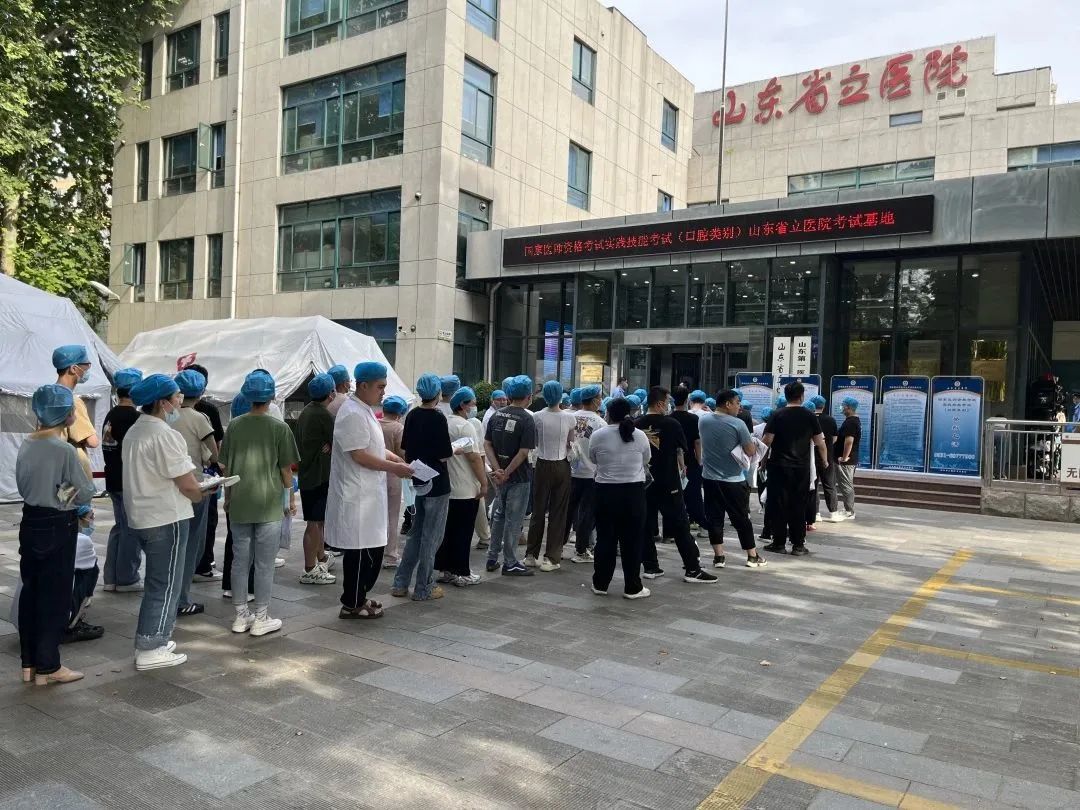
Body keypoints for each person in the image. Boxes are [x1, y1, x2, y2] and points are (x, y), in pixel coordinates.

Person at [15, 384, 96, 685]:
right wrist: (66, 497)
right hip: (58, 524)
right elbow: (84, 491)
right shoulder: (64, 450)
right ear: (66, 414)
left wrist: (56, 491)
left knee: (32, 592)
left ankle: (29, 663)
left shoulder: (27, 443)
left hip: (31, 520)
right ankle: (49, 666)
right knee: (55, 596)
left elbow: (25, 485)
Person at [124, 374, 206, 671]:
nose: (179, 403)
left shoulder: (136, 430)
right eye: (175, 398)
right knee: (165, 583)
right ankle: (150, 646)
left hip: (143, 515)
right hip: (166, 517)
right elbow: (187, 483)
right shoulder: (164, 434)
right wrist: (201, 492)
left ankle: (156, 636)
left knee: (158, 581)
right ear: (162, 403)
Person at [325, 363, 413, 618]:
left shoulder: (364, 410)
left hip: (369, 494)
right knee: (361, 553)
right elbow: (360, 455)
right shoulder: (351, 413)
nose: (383, 392)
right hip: (356, 495)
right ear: (363, 385)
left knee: (371, 550)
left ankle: (360, 597)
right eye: (380, 387)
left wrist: (394, 458)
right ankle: (352, 603)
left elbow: (372, 445)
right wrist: (395, 468)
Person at [219, 370, 299, 636]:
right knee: (264, 564)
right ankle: (261, 617)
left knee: (240, 562)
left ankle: (240, 616)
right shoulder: (280, 428)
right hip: (268, 505)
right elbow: (286, 470)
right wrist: (290, 498)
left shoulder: (234, 426)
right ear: (272, 396)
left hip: (240, 503)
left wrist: (228, 499)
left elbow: (226, 467)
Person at [637, 387, 718, 584]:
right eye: (667, 402)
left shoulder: (636, 423)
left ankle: (651, 566)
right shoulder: (672, 424)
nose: (669, 405)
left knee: (646, 524)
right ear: (659, 404)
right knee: (680, 525)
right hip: (668, 481)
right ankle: (692, 569)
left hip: (643, 481)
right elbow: (681, 449)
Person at [393, 373, 454, 601]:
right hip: (438, 482)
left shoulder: (411, 415)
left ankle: (400, 583)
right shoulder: (438, 418)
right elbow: (444, 455)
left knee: (416, 534)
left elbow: (405, 449)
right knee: (432, 536)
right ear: (438, 393)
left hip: (418, 479)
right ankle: (424, 587)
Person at [588, 397, 653, 599]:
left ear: (608, 413)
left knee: (605, 538)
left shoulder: (598, 435)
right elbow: (646, 459)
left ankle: (600, 583)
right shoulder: (640, 435)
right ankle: (632, 587)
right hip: (633, 494)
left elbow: (593, 458)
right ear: (629, 413)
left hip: (605, 492)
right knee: (632, 541)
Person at [698, 390, 768, 569]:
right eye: (737, 403)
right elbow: (750, 451)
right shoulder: (738, 424)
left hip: (709, 478)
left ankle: (719, 557)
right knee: (741, 519)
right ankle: (752, 556)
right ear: (727, 404)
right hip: (733, 480)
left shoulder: (703, 420)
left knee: (714, 518)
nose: (739, 407)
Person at [170, 369, 218, 616]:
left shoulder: (167, 416)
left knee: (173, 544)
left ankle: (170, 594)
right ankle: (181, 599)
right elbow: (214, 455)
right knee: (191, 546)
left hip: (170, 487)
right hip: (195, 485)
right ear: (201, 392)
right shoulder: (199, 418)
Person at [761, 382, 829, 556]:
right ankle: (798, 545)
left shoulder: (777, 414)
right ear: (802, 396)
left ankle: (778, 543)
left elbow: (767, 441)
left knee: (778, 504)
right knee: (798, 504)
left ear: (786, 396)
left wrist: (762, 461)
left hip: (778, 466)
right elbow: (820, 442)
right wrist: (824, 460)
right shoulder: (810, 416)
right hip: (801, 468)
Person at [484, 375, 536, 577]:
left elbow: (487, 443)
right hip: (518, 477)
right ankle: (511, 561)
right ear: (528, 396)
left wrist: (498, 470)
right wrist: (507, 472)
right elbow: (523, 452)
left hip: (500, 477)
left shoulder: (497, 415)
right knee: (514, 520)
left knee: (499, 515)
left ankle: (492, 556)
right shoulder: (527, 419)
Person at [435, 387, 487, 586]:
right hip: (465, 488)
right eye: (473, 403)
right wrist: (484, 482)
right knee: (463, 533)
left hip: (447, 487)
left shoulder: (444, 423)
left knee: (447, 532)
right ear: (463, 405)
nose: (475, 406)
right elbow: (474, 458)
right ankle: (462, 572)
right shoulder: (466, 427)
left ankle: (446, 570)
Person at [525, 380, 576, 571]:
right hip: (562, 465)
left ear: (544, 395)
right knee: (558, 513)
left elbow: (534, 442)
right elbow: (571, 443)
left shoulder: (536, 417)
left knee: (538, 511)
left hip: (541, 465)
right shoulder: (569, 418)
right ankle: (551, 558)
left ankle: (531, 555)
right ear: (561, 395)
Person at [101, 367, 144, 593]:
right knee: (131, 530)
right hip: (129, 481)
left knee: (119, 527)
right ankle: (127, 578)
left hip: (113, 479)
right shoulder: (134, 418)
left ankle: (111, 577)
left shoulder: (111, 415)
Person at [296, 373, 337, 585]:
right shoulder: (323, 415)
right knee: (313, 522)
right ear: (331, 394)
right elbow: (338, 442)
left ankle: (320, 559)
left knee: (318, 521)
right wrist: (330, 445)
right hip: (318, 476)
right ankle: (309, 568)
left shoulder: (307, 411)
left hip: (309, 474)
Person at [187, 363, 226, 582]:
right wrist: (219, 466)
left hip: (176, 477)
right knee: (204, 522)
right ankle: (202, 565)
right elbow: (215, 447)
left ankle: (185, 566)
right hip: (203, 477)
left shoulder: (170, 412)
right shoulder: (206, 412)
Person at [566, 384, 606, 564]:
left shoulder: (570, 417)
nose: (601, 400)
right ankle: (581, 550)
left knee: (567, 511)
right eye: (599, 397)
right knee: (587, 514)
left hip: (570, 472)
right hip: (591, 474)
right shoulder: (600, 423)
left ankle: (558, 546)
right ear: (595, 400)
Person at [221, 393, 254, 601]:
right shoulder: (265, 429)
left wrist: (227, 497)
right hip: (255, 494)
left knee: (233, 540)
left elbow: (225, 467)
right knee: (252, 543)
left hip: (235, 492)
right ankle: (248, 588)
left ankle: (229, 586)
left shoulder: (231, 431)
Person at [51, 345, 100, 482]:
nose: (87, 370)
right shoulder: (72, 401)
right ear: (73, 368)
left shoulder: (47, 395)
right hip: (72, 471)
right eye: (86, 366)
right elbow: (92, 442)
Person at [670, 386, 708, 540]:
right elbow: (697, 442)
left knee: (675, 496)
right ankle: (703, 526)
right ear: (687, 400)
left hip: (672, 462)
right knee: (694, 495)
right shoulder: (693, 419)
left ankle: (673, 530)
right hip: (691, 461)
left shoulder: (669, 418)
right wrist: (699, 461)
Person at [379, 395, 408, 567]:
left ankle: (375, 549)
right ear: (400, 413)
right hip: (393, 475)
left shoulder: (375, 424)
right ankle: (390, 555)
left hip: (375, 473)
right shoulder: (398, 428)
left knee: (377, 515)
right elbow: (401, 453)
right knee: (392, 515)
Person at [811, 395, 842, 522]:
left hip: (812, 457)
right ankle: (833, 513)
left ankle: (816, 513)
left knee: (813, 485)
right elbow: (835, 438)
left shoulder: (810, 419)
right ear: (823, 406)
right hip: (827, 457)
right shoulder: (830, 420)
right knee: (829, 485)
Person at [835, 396, 862, 520]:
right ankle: (848, 508)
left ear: (849, 408)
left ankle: (849, 511)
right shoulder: (853, 421)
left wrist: (844, 457)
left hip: (847, 460)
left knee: (846, 485)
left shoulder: (851, 422)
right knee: (845, 484)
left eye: (843, 405)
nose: (842, 407)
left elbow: (849, 442)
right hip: (850, 459)